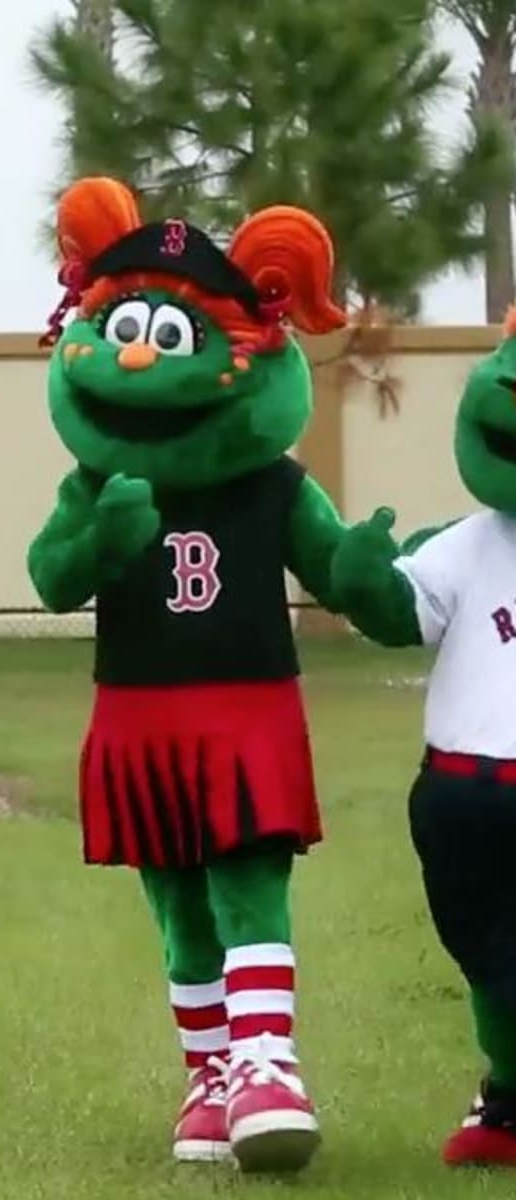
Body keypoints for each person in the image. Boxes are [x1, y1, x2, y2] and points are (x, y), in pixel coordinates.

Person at [27, 176, 352, 1172]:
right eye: (123, 329)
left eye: (170, 337)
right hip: (139, 720)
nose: (135, 356)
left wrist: (383, 574)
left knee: (248, 883)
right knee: (177, 901)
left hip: (247, 712)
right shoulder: (94, 481)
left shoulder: (273, 485)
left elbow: (338, 569)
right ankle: (210, 1077)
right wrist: (97, 539)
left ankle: (267, 1064)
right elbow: (50, 578)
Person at [331, 309, 516, 1168]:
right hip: (461, 797)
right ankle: (508, 1096)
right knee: (485, 955)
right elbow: (407, 609)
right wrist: (364, 579)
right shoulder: (471, 544)